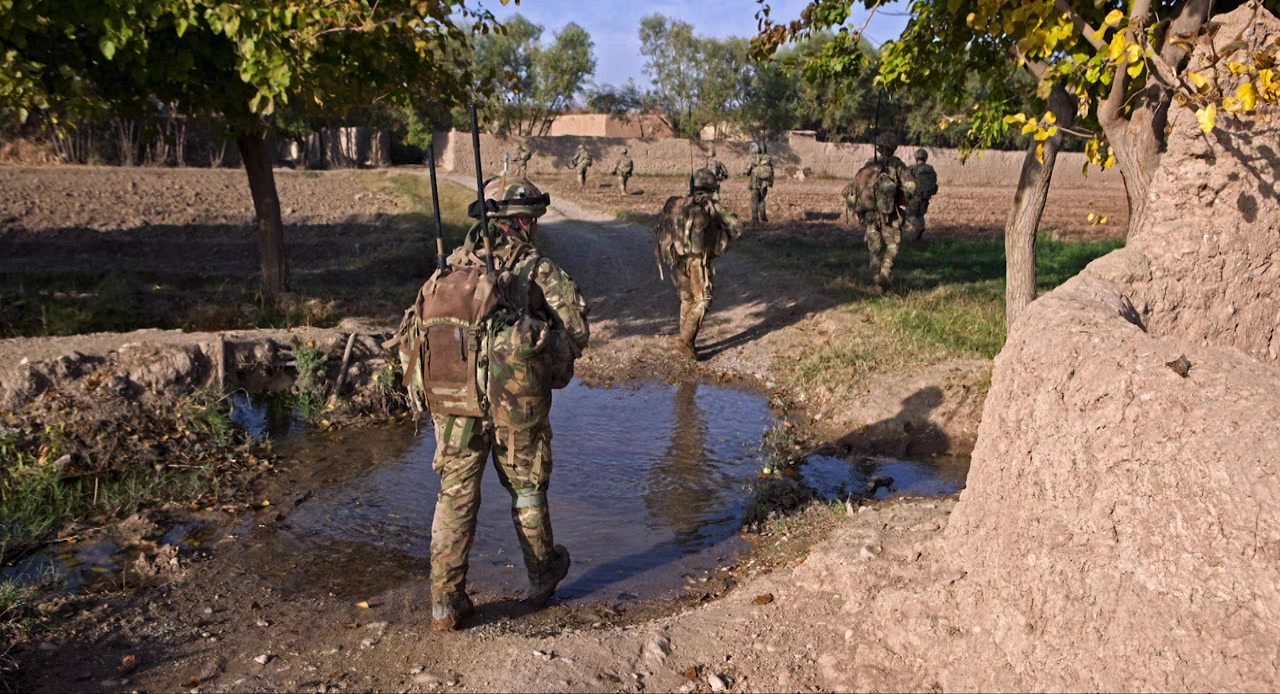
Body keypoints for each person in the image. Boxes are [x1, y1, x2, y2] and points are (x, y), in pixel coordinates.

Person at [418, 180, 590, 631]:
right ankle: (542, 576)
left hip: (454, 397)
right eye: (533, 220)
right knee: (526, 488)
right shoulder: (537, 268)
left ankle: (445, 602)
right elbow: (576, 332)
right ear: (523, 221)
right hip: (515, 401)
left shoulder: (451, 266)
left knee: (455, 492)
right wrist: (544, 353)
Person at [654, 167, 744, 358]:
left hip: (679, 258)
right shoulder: (711, 205)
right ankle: (685, 341)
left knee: (687, 300)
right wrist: (721, 239)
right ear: (712, 185)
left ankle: (686, 343)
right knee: (703, 300)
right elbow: (737, 226)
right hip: (698, 261)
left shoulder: (680, 205)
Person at [842, 132, 915, 293]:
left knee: (874, 250)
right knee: (893, 246)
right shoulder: (897, 165)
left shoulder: (869, 165)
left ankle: (877, 281)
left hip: (869, 216)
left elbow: (855, 187)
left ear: (879, 147)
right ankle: (885, 272)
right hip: (889, 215)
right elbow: (910, 186)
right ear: (893, 147)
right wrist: (902, 197)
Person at [905, 148, 938, 242]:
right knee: (920, 216)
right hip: (926, 197)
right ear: (925, 157)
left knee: (909, 215)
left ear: (916, 157)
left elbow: (907, 182)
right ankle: (918, 238)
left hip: (915, 197)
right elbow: (934, 181)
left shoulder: (912, 169)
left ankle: (919, 227)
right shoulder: (930, 169)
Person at [743, 142, 774, 223]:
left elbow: (747, 171)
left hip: (755, 183)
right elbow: (772, 172)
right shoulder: (767, 158)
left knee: (754, 201)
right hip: (764, 184)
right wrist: (770, 183)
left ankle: (755, 220)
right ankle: (764, 219)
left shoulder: (753, 158)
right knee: (762, 200)